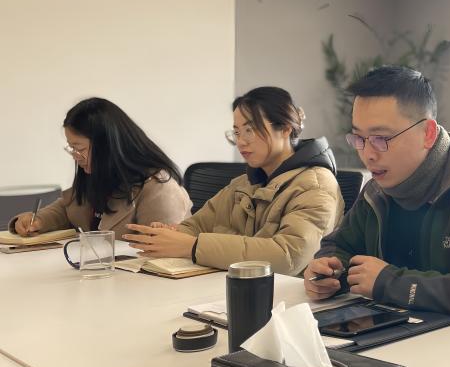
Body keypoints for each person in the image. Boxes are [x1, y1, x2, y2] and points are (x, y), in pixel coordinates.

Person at [304, 65, 450, 327]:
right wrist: (327, 271)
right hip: (407, 335)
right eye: (359, 138)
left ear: (428, 133)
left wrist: (390, 283)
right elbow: (340, 246)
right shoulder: (376, 191)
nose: (368, 154)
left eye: (381, 138)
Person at [124, 87, 342, 276]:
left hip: (288, 298)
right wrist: (172, 235)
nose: (241, 142)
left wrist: (193, 246)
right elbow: (198, 225)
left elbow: (288, 256)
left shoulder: (316, 185)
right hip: (235, 287)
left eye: (250, 130)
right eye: (237, 132)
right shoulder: (244, 183)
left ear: (285, 128)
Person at [10, 98, 192, 240]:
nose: (75, 156)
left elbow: (162, 252)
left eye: (80, 149)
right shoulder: (100, 175)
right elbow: (68, 208)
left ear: (108, 145)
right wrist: (38, 220)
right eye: (71, 148)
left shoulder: (159, 189)